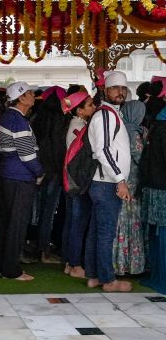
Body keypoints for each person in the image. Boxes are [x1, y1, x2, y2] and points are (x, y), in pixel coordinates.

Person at [86, 71, 132, 292]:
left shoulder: (110, 113)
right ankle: (108, 280)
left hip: (103, 182)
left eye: (123, 88)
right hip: (107, 183)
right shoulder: (105, 115)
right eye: (115, 88)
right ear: (106, 90)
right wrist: (120, 179)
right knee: (105, 233)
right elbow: (103, 150)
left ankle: (94, 276)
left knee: (97, 231)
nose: (120, 92)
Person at [0, 81, 44, 281]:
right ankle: (11, 269)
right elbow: (26, 154)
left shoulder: (9, 117)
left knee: (8, 222)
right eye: (30, 93)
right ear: (21, 98)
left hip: (8, 175)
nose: (34, 96)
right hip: (19, 177)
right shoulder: (18, 120)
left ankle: (4, 265)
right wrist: (39, 172)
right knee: (17, 223)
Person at [30, 86, 69, 263]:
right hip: (52, 171)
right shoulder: (58, 119)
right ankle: (43, 249)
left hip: (39, 170)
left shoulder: (37, 118)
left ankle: (36, 245)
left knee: (38, 209)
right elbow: (57, 148)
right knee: (48, 211)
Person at [60, 91, 95, 279]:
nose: (94, 108)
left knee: (73, 222)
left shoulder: (78, 124)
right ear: (79, 111)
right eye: (89, 105)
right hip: (78, 181)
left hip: (73, 180)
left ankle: (69, 261)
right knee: (78, 222)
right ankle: (74, 263)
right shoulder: (78, 127)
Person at [113, 100, 147, 276]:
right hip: (131, 182)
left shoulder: (119, 127)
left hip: (119, 180)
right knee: (129, 220)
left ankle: (116, 262)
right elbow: (139, 155)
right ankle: (127, 264)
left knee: (119, 220)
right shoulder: (132, 131)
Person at [141, 105, 166, 294]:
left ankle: (158, 274)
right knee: (162, 235)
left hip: (152, 188)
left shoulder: (156, 128)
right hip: (162, 190)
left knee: (157, 234)